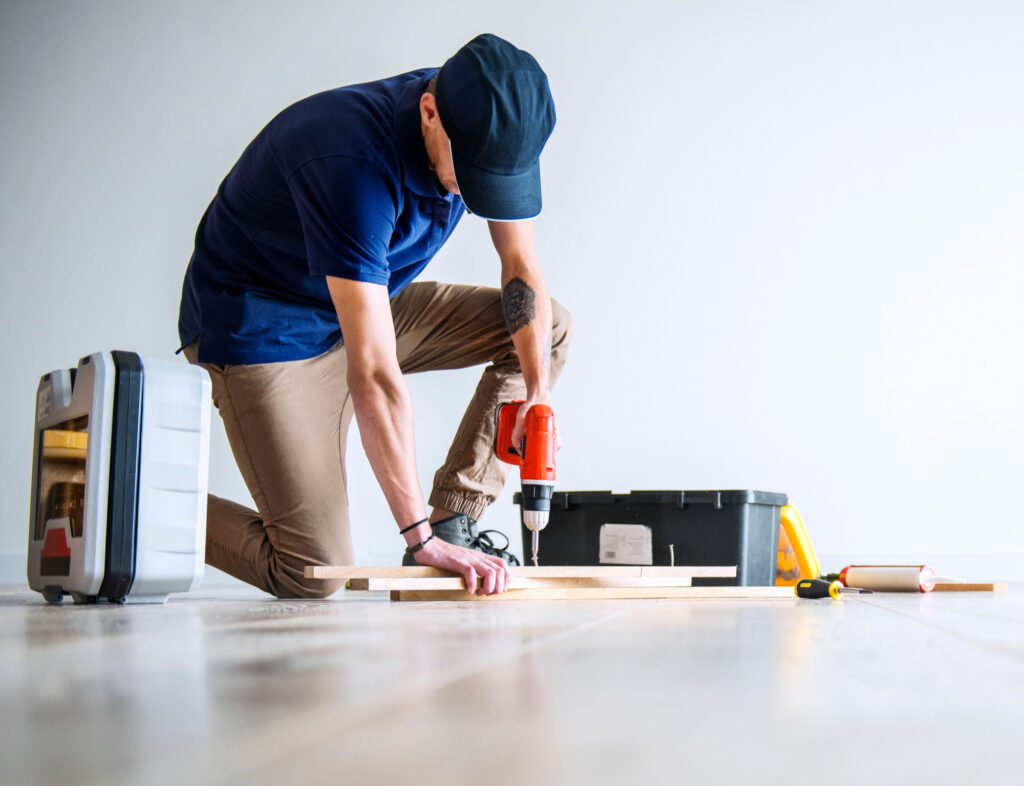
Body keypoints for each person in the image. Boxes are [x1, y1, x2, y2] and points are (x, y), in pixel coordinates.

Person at [177, 34, 572, 599]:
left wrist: (537, 394)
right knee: (311, 571)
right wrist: (417, 543)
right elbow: (375, 374)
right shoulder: (349, 162)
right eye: (474, 177)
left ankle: (452, 519)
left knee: (546, 328)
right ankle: (134, 491)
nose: (478, 194)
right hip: (265, 330)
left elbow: (520, 266)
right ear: (429, 114)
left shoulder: (483, 115)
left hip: (363, 300)